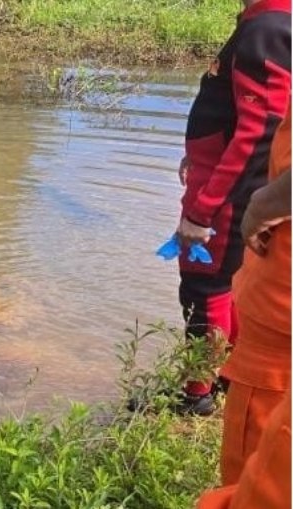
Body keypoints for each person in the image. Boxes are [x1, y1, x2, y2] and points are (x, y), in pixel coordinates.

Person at [172, 0, 290, 415]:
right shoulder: (264, 20)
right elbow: (238, 110)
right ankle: (230, 377)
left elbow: (259, 131)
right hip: (225, 177)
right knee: (229, 285)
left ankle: (197, 394)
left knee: (205, 289)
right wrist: (198, 149)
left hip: (228, 192)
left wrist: (202, 211)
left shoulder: (269, 26)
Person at [196, 105, 291, 507]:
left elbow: (252, 127)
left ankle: (196, 390)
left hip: (279, 316)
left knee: (254, 482)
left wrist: (266, 201)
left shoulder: (263, 37)